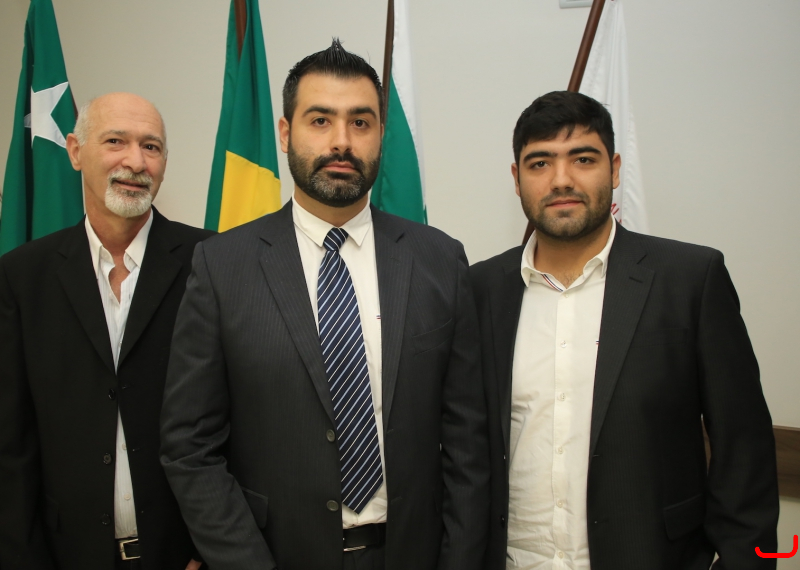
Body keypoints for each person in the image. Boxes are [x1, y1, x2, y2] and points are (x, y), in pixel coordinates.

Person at [159, 39, 489, 570]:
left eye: (360, 122)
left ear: (380, 135)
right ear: (285, 132)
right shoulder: (222, 266)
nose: (341, 141)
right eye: (320, 120)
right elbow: (188, 446)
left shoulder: (439, 260)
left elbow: (468, 446)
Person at [471, 91, 779, 570]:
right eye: (540, 163)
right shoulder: (480, 289)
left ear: (614, 170)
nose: (561, 179)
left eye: (583, 159)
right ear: (516, 179)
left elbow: (745, 450)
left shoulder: (690, 280)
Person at [0, 92, 212, 570]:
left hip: (185, 556)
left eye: (151, 147)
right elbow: (11, 445)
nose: (135, 162)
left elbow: (240, 422)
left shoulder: (212, 262)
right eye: (115, 141)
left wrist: (209, 553)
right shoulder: (21, 277)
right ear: (75, 151)